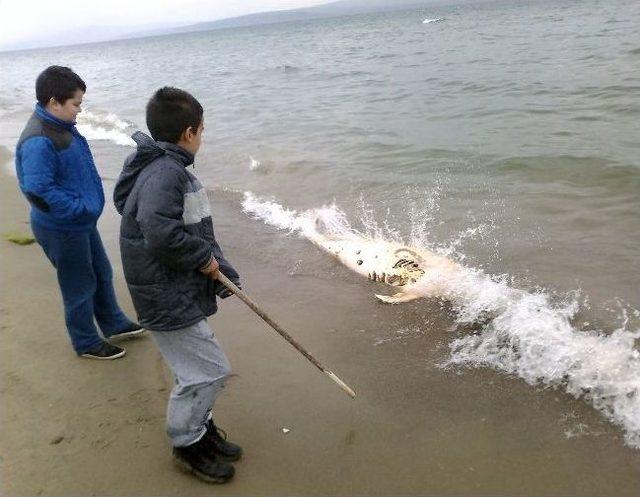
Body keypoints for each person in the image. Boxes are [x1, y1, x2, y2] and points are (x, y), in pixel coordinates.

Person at [113, 87, 242, 483]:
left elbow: (196, 228)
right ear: (189, 132)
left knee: (200, 367)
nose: (202, 136)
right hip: (164, 295)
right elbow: (159, 231)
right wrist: (203, 260)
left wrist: (223, 272)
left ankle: (200, 432)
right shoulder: (167, 173)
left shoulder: (170, 167)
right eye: (202, 130)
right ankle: (186, 444)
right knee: (208, 371)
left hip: (173, 288)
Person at [15, 65, 143, 360]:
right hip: (62, 227)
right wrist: (78, 209)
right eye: (76, 104)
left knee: (101, 272)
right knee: (79, 284)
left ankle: (112, 323)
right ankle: (85, 341)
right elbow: (37, 190)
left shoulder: (59, 126)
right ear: (54, 102)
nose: (79, 110)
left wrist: (83, 212)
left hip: (79, 222)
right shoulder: (39, 138)